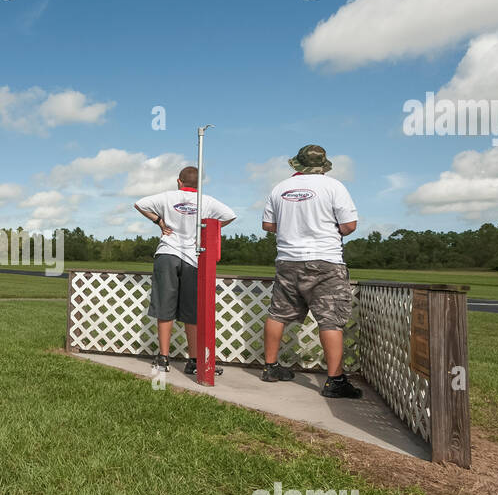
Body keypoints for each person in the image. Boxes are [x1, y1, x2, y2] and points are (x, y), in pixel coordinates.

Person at [260, 144, 361, 399]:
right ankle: (335, 381)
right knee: (330, 319)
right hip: (326, 260)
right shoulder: (334, 186)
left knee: (278, 314)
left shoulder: (279, 188)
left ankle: (270, 368)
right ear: (323, 165)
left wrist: (293, 228)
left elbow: (268, 225)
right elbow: (349, 225)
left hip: (287, 260)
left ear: (297, 164)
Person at [133, 165, 236, 375]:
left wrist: (160, 221)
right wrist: (205, 230)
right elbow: (230, 215)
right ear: (199, 184)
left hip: (167, 253)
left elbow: (139, 204)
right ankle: (194, 359)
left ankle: (163, 357)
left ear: (179, 181)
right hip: (193, 258)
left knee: (165, 307)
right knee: (192, 312)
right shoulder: (206, 201)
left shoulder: (167, 197)